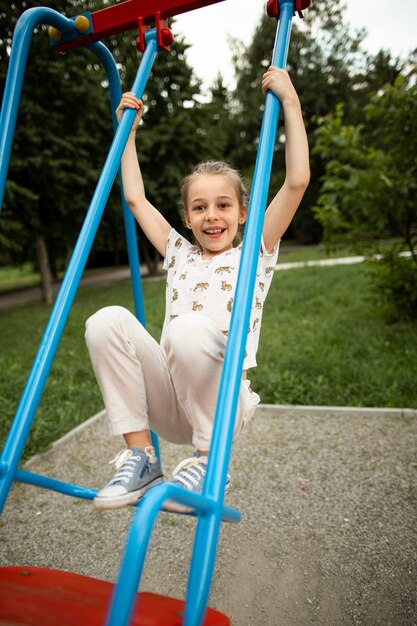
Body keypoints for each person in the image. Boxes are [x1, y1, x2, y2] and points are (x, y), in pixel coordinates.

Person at [85, 66, 310, 512]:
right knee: (104, 321)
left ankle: (210, 462)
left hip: (222, 402)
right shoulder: (178, 253)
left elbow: (297, 181)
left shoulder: (255, 253)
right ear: (187, 219)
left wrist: (290, 100)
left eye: (223, 205)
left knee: (188, 329)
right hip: (171, 400)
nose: (212, 216)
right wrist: (127, 136)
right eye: (200, 207)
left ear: (243, 213)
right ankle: (141, 457)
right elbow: (135, 199)